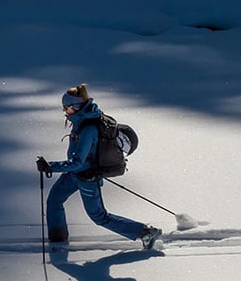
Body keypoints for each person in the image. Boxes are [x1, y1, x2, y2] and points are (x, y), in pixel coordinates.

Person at [36, 83, 161, 248]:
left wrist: (50, 166)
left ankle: (145, 232)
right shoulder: (81, 119)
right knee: (54, 201)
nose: (64, 111)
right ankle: (58, 242)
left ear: (76, 106)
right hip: (74, 174)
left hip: (88, 177)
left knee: (99, 217)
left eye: (66, 107)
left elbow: (78, 162)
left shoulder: (88, 129)